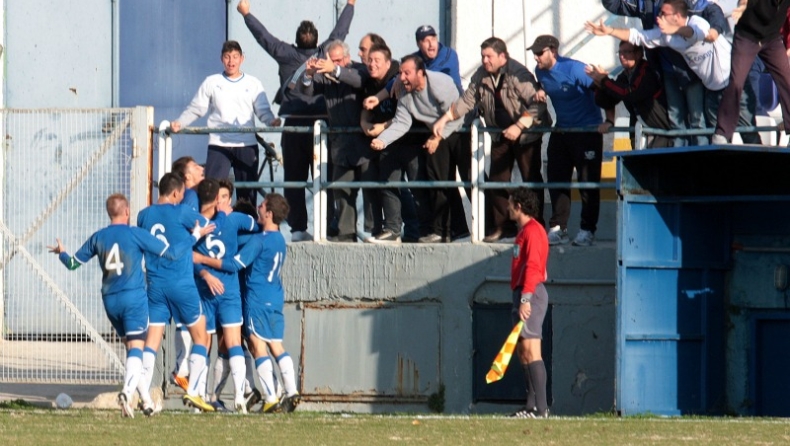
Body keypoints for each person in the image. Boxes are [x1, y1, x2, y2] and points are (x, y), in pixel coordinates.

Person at [47, 194, 211, 418]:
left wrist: (61, 253)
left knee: (132, 350)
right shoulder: (135, 234)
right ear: (127, 211)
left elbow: (73, 264)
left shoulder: (99, 237)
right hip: (132, 298)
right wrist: (194, 235)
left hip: (110, 300)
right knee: (137, 348)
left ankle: (146, 402)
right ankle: (126, 392)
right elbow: (172, 253)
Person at [237, 0, 357, 241]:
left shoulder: (285, 53)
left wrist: (246, 14)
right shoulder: (324, 52)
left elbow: (264, 38)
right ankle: (317, 228)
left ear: (298, 39)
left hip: (299, 126)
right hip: (320, 126)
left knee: (297, 179)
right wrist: (350, 5)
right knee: (321, 178)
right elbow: (340, 32)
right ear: (316, 39)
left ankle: (301, 229)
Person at [433, 37, 551, 243]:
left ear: (502, 57)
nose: (485, 60)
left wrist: (519, 126)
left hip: (527, 135)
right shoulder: (481, 75)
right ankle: (503, 227)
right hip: (500, 135)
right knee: (497, 181)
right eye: (482, 56)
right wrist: (445, 119)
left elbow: (538, 106)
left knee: (530, 179)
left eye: (489, 56)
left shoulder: (518, 74)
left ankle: (536, 226)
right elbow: (467, 100)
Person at [194, 193, 301, 414]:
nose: (258, 208)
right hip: (275, 297)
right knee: (276, 345)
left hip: (257, 299)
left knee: (258, 346)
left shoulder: (259, 241)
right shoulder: (280, 239)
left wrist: (202, 259)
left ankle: (271, 397)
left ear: (269, 213)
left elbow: (234, 264)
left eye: (261, 206)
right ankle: (291, 392)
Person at [586, 0, 730, 141]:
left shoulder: (696, 21)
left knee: (701, 121)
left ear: (677, 16)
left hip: (723, 78)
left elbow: (697, 32)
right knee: (677, 120)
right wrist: (609, 31)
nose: (658, 17)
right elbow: (637, 35)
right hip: (685, 75)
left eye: (663, 14)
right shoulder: (664, 35)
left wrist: (679, 29)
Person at [135, 173, 216, 413]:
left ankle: (142, 390)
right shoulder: (181, 212)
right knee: (202, 338)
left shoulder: (144, 215)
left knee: (152, 340)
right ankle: (193, 392)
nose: (183, 198)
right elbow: (205, 223)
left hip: (156, 285)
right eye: (181, 194)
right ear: (174, 194)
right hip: (181, 284)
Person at [370, 55, 468, 243]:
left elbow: (456, 113)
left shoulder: (440, 84)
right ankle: (446, 231)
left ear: (421, 73)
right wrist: (383, 140)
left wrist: (437, 137)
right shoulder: (405, 93)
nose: (402, 78)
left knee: (471, 180)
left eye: (407, 73)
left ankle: (483, 228)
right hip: (436, 135)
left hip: (459, 130)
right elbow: (402, 122)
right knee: (438, 181)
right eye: (400, 73)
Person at [171, 40, 279, 206]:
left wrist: (271, 121)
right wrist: (180, 123)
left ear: (242, 58)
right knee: (212, 189)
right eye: (227, 57)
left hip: (246, 144)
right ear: (221, 58)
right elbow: (196, 108)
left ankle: (245, 225)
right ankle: (209, 226)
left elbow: (263, 110)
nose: (231, 61)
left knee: (247, 192)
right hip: (218, 144)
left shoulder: (253, 83)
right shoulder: (212, 82)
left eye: (235, 57)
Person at [530, 35, 606, 247]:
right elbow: (545, 83)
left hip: (587, 131)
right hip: (562, 130)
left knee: (587, 182)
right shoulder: (540, 71)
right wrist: (540, 89)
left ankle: (587, 229)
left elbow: (603, 89)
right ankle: (558, 227)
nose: (536, 57)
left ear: (553, 51)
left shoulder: (574, 69)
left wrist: (608, 119)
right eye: (534, 53)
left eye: (540, 52)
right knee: (556, 178)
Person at [301, 40, 380, 242]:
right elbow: (306, 91)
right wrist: (309, 75)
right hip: (341, 145)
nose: (333, 63)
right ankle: (346, 234)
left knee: (372, 191)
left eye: (337, 60)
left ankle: (375, 231)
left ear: (346, 57)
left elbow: (358, 81)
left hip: (365, 144)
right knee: (341, 191)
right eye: (330, 60)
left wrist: (334, 69)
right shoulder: (327, 77)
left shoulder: (359, 70)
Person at [192, 178, 259, 413]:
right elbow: (257, 224)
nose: (220, 201)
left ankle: (232, 395)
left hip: (217, 291)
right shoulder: (229, 220)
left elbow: (256, 224)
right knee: (218, 344)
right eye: (218, 197)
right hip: (218, 290)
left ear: (228, 199)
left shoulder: (197, 222)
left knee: (225, 344)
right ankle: (207, 397)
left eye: (224, 197)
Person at [713, 0, 790, 145]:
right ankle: (722, 133)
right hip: (747, 37)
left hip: (771, 39)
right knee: (736, 82)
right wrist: (743, 7)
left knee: (787, 81)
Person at [507, 187, 550, 419]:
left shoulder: (534, 231)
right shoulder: (523, 232)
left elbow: (533, 267)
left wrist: (525, 298)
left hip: (531, 294)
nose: (507, 207)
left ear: (519, 206)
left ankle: (541, 409)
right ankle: (530, 406)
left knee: (533, 351)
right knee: (523, 351)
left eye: (510, 203)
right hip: (522, 292)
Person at [587, 41, 673, 149]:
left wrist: (605, 81)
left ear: (639, 54)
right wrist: (599, 84)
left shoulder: (647, 71)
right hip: (639, 133)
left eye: (627, 52)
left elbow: (629, 93)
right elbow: (607, 100)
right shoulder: (625, 75)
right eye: (620, 53)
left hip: (661, 132)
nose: (622, 56)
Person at [169, 156, 204, 390]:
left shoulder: (190, 197)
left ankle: (183, 369)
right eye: (195, 167)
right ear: (186, 177)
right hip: (186, 268)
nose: (202, 168)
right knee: (189, 321)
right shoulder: (190, 197)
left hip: (178, 267)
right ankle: (181, 368)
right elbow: (191, 228)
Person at [413, 25, 463, 93]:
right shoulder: (415, 58)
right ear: (418, 44)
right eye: (426, 41)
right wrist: (399, 78)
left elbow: (434, 74)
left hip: (453, 99)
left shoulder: (449, 54)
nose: (431, 44)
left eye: (433, 39)